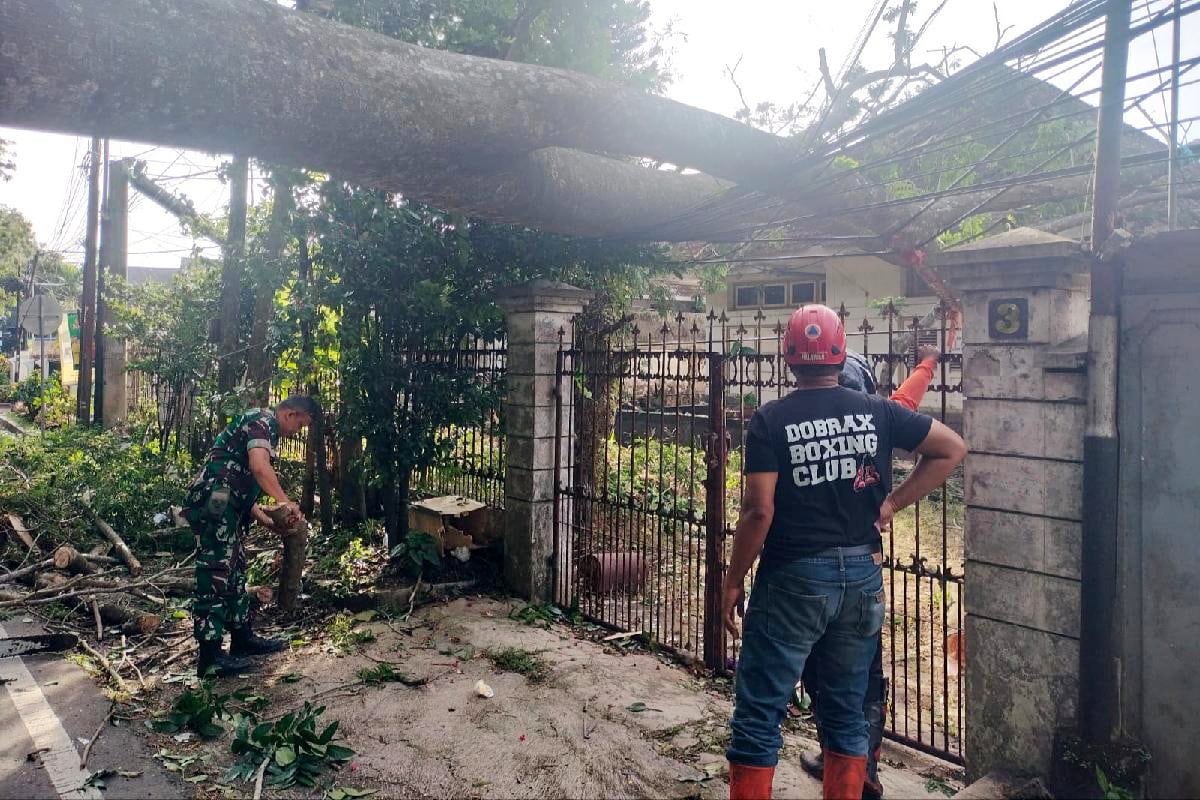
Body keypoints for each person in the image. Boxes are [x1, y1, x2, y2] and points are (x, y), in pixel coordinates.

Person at [722, 305, 966, 800]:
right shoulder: (878, 411)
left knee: (759, 713)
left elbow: (758, 513)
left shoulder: (771, 420)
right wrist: (893, 501)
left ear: (788, 356)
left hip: (793, 578)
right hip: (861, 577)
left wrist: (731, 582)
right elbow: (951, 448)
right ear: (840, 352)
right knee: (845, 711)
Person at [800, 342, 943, 799]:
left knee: (820, 668)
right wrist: (929, 360)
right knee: (862, 668)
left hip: (808, 571)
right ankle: (865, 767)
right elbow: (911, 400)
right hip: (863, 567)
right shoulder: (880, 416)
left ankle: (842, 759)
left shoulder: (801, 421)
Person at [183, 395, 319, 678]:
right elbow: (258, 468)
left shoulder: (263, 427)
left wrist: (271, 523)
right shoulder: (261, 421)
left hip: (227, 503)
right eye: (301, 424)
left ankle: (242, 639)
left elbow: (244, 493)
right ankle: (209, 657)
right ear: (290, 414)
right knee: (216, 571)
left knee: (234, 572)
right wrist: (285, 501)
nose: (298, 431)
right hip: (216, 501)